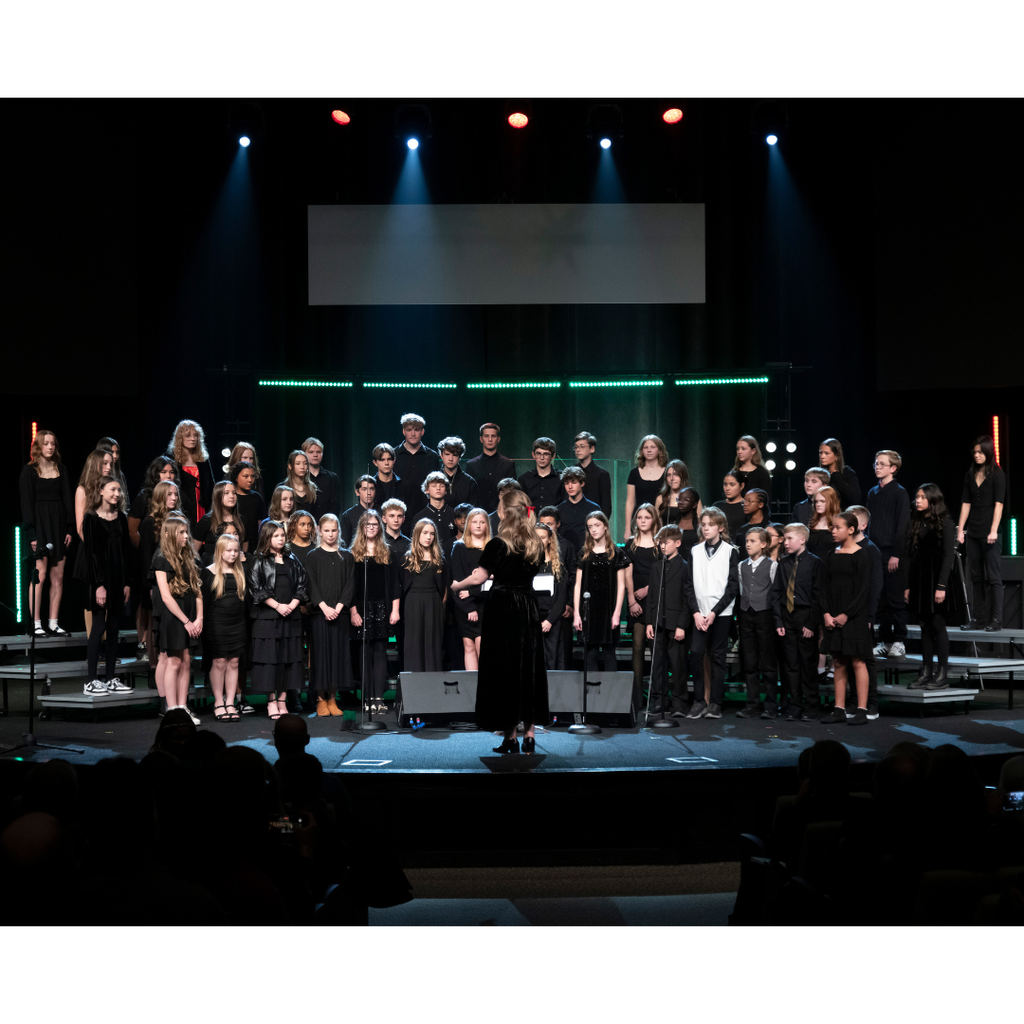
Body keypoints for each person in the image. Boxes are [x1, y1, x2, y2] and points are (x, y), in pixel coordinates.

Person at [451, 488, 548, 754]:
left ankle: (510, 737)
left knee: (504, 669)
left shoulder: (499, 544)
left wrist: (458, 583)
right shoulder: (535, 543)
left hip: (503, 607)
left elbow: (479, 578)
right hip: (528, 606)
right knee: (527, 668)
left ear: (505, 512)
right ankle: (529, 735)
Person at [684, 508, 741, 720]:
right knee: (696, 653)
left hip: (721, 614)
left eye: (710, 524)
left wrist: (715, 612)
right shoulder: (695, 551)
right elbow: (689, 585)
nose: (706, 528)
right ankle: (699, 700)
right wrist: (697, 612)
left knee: (718, 657)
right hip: (699, 613)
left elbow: (732, 587)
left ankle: (716, 702)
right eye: (703, 524)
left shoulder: (730, 551)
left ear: (721, 527)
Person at [248, 520, 308, 720]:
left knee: (288, 659)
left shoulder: (292, 559)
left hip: (290, 616)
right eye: (276, 536)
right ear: (267, 537)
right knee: (270, 661)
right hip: (268, 618)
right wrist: (277, 605)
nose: (281, 539)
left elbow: (302, 583)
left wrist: (292, 605)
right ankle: (271, 701)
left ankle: (282, 701)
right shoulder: (258, 560)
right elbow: (256, 589)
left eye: (282, 535)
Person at [818, 511, 872, 725]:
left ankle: (861, 709)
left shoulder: (862, 555)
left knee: (857, 661)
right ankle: (838, 708)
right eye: (832, 527)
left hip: (854, 617)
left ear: (851, 529)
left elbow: (862, 590)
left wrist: (845, 615)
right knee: (838, 661)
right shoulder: (831, 555)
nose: (833, 531)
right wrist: (827, 614)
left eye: (837, 527)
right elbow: (824, 587)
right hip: (833, 615)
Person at [906, 485, 962, 690]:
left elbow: (948, 556)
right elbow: (913, 555)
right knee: (925, 627)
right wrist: (909, 586)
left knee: (938, 624)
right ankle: (926, 672)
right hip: (921, 579)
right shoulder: (917, 521)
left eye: (922, 497)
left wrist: (941, 586)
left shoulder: (945, 522)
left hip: (938, 578)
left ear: (932, 499)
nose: (917, 500)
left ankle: (942, 674)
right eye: (917, 496)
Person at [19, 429, 74, 637]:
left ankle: (53, 622)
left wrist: (69, 528)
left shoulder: (62, 470)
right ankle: (36, 623)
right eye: (46, 443)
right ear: (38, 447)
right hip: (39, 526)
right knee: (40, 576)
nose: (50, 447)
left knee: (57, 577)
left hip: (58, 524)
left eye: (53, 443)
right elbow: (26, 504)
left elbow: (68, 501)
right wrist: (32, 533)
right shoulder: (29, 471)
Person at [81, 477, 133, 696]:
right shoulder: (91, 519)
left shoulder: (121, 518)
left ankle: (111, 677)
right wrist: (99, 585)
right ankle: (91, 680)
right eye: (113, 489)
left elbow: (126, 551)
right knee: (98, 628)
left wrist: (128, 582)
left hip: (118, 579)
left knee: (114, 628)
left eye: (119, 490)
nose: (117, 494)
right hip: (100, 580)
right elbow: (91, 554)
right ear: (101, 491)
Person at [152, 516, 204, 723]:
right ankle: (171, 709)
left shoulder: (190, 557)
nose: (186, 536)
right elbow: (165, 596)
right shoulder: (162, 559)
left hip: (190, 614)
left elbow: (198, 591)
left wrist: (199, 618)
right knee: (173, 662)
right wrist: (186, 621)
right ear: (168, 534)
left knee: (186, 662)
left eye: (186, 532)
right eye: (181, 532)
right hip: (174, 616)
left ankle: (182, 707)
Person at [772, 524, 824, 722]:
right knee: (791, 664)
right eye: (784, 539)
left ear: (803, 540)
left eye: (790, 539)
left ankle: (811, 705)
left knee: (807, 664)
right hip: (787, 617)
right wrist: (778, 620)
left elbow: (818, 596)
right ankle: (794, 705)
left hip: (804, 616)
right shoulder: (783, 563)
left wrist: (811, 624)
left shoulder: (814, 563)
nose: (785, 543)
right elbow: (777, 593)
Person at [350, 511, 401, 712]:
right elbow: (350, 587)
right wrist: (353, 612)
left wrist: (394, 610)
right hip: (361, 609)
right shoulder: (352, 554)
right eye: (367, 524)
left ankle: (379, 698)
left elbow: (395, 585)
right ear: (361, 528)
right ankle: (367, 698)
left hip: (382, 607)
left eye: (374, 524)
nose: (371, 527)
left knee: (380, 652)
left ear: (380, 527)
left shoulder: (388, 553)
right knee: (364, 653)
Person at [305, 514, 355, 717]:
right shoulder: (313, 556)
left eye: (334, 530)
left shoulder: (347, 556)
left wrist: (340, 606)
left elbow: (350, 584)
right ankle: (320, 698)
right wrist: (324, 607)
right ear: (319, 531)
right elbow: (311, 584)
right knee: (320, 655)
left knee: (337, 655)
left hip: (340, 613)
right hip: (320, 614)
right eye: (326, 530)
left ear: (339, 531)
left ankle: (333, 697)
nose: (330, 534)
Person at [128, 456, 179, 650]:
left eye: (171, 472)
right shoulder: (146, 502)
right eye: (163, 471)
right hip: (150, 567)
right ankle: (144, 648)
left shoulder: (177, 513)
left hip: (172, 572)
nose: (168, 475)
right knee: (149, 613)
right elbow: (134, 531)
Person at [957, 434, 1006, 631]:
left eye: (980, 452)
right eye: (974, 452)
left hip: (990, 533)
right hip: (974, 533)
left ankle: (996, 620)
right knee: (976, 578)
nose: (976, 455)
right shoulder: (969, 475)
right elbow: (966, 503)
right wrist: (960, 530)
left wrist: (993, 530)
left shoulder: (997, 474)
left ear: (987, 452)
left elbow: (999, 504)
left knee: (993, 577)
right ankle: (979, 618)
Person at [867, 450, 911, 659]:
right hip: (875, 554)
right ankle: (884, 640)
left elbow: (902, 526)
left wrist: (896, 554)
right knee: (880, 599)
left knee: (895, 598)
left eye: (882, 464)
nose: (877, 467)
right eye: (876, 463)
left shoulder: (899, 492)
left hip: (892, 554)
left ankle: (899, 640)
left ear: (893, 468)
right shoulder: (873, 492)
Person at [201, 533, 248, 721]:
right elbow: (203, 601)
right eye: (229, 551)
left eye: (236, 550)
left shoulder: (240, 571)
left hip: (238, 623)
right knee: (219, 662)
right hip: (216, 624)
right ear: (220, 551)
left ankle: (231, 702)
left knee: (234, 662)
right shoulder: (208, 572)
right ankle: (218, 702)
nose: (233, 554)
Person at [645, 524, 691, 716]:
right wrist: (649, 621)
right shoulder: (657, 566)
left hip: (676, 623)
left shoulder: (685, 567)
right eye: (660, 543)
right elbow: (652, 595)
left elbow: (687, 598)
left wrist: (682, 625)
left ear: (678, 543)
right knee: (658, 664)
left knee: (678, 664)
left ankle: (679, 702)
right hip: (658, 622)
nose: (663, 546)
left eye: (666, 543)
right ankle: (659, 700)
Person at [573, 512, 627, 673]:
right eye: (590, 527)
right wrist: (576, 613)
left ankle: (611, 696)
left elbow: (621, 585)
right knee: (590, 653)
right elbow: (577, 585)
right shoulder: (584, 554)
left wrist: (617, 612)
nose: (594, 530)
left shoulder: (616, 553)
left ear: (605, 526)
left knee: (609, 652)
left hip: (608, 609)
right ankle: (592, 695)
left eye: (597, 525)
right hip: (589, 610)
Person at [735, 526, 780, 718]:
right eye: (747, 541)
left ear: (763, 544)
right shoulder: (741, 565)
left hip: (765, 615)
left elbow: (774, 592)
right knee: (750, 661)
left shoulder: (772, 565)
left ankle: (770, 704)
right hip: (747, 615)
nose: (748, 545)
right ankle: (752, 703)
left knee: (768, 662)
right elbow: (742, 589)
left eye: (752, 541)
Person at [137, 481, 181, 659]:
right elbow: (145, 558)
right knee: (155, 626)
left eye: (175, 494)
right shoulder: (149, 523)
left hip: (176, 581)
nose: (173, 498)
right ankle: (154, 667)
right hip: (155, 583)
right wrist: (149, 586)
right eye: (169, 494)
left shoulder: (178, 521)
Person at [73, 446, 113, 638]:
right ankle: (95, 644)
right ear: (94, 464)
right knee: (92, 601)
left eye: (110, 464)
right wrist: (95, 549)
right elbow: (81, 527)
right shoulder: (82, 490)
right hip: (91, 551)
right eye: (104, 463)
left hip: (109, 551)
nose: (108, 467)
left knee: (108, 600)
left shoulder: (109, 488)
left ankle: (105, 645)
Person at [848, 505, 883, 721]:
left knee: (865, 659)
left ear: (862, 525)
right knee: (848, 657)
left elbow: (875, 586)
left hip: (863, 614)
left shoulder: (871, 550)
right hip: (846, 613)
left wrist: (870, 617)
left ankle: (871, 703)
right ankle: (853, 701)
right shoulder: (843, 548)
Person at [625, 503, 662, 702]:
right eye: (640, 518)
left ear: (654, 519)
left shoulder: (660, 544)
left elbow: (663, 573)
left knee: (654, 646)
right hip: (636, 601)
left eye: (647, 517)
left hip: (654, 599)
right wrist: (631, 600)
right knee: (637, 646)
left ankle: (656, 696)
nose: (643, 521)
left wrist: (648, 589)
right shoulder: (631, 543)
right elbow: (627, 574)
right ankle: (637, 695)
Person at [400, 520, 447, 672]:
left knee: (432, 642)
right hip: (413, 602)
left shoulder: (440, 559)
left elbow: (444, 588)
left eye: (432, 534)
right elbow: (402, 586)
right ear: (417, 534)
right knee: (414, 642)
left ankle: (432, 684)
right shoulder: (407, 559)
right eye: (425, 533)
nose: (428, 537)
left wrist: (442, 606)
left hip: (433, 602)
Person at [449, 508, 490, 669]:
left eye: (482, 522)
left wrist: (474, 591)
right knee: (469, 645)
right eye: (474, 522)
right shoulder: (459, 547)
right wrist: (468, 608)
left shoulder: (492, 547)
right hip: (465, 606)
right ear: (468, 525)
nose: (478, 526)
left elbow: (494, 579)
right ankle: (472, 687)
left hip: (486, 605)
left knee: (483, 646)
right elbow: (456, 582)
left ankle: (484, 687)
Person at [538, 505, 577, 669]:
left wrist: (569, 603)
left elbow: (567, 585)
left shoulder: (563, 553)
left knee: (557, 655)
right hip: (536, 615)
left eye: (549, 524)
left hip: (555, 614)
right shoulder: (529, 564)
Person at [534, 521, 569, 671]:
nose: (539, 541)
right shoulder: (528, 564)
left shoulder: (558, 565)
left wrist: (549, 620)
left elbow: (562, 596)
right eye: (536, 537)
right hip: (533, 617)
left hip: (552, 618)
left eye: (542, 537)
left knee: (552, 658)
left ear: (549, 539)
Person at [167, 420, 215, 525]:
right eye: (188, 436)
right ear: (180, 438)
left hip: (202, 503)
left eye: (195, 435)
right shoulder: (173, 460)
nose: (193, 439)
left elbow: (211, 484)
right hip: (183, 504)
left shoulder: (203, 459)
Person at [464, 422, 516, 515]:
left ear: (498, 439)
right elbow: (469, 493)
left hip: (503, 513)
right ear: (481, 439)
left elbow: (512, 493)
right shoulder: (471, 465)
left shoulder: (508, 464)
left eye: (493, 436)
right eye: (486, 436)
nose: (490, 439)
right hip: (477, 514)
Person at [393, 414, 440, 516]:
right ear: (403, 431)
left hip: (427, 511)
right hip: (399, 512)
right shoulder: (393, 455)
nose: (413, 434)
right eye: (409, 430)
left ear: (422, 432)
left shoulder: (432, 457)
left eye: (417, 430)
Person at [624, 435, 669, 541]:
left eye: (653, 447)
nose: (649, 450)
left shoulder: (667, 472)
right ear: (641, 451)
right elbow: (630, 502)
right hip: (640, 521)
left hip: (660, 521)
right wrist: (627, 529)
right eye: (646, 447)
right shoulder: (634, 473)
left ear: (659, 450)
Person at [193, 480, 245, 565]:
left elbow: (244, 548)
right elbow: (194, 549)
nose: (231, 496)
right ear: (218, 496)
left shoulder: (241, 520)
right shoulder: (207, 520)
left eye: (234, 493)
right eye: (226, 493)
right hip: (212, 564)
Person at [556, 465, 601, 558]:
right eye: (566, 483)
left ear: (582, 483)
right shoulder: (558, 510)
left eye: (574, 482)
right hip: (564, 556)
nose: (570, 486)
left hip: (588, 555)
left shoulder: (594, 508)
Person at [410, 471, 458, 553]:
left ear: (446, 490)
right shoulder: (419, 517)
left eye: (442, 486)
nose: (438, 488)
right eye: (434, 486)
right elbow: (414, 543)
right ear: (426, 490)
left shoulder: (454, 513)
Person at [572, 431, 612, 517]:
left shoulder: (602, 474)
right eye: (576, 447)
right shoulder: (571, 472)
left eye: (582, 447)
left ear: (592, 449)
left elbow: (606, 505)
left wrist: (600, 523)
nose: (578, 450)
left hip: (594, 521)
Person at [229, 461, 266, 552]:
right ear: (236, 477)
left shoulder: (256, 497)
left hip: (254, 545)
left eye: (252, 476)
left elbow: (261, 523)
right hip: (233, 543)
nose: (250, 480)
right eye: (245, 476)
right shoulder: (230, 498)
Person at [519, 437, 565, 509]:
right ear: (533, 455)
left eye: (546, 454)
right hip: (531, 519)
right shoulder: (524, 479)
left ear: (553, 456)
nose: (541, 458)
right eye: (538, 453)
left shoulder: (561, 478)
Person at [301, 437, 340, 517]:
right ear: (304, 454)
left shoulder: (332, 478)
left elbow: (335, 506)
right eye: (311, 452)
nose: (315, 455)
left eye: (318, 452)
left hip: (327, 525)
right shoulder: (300, 478)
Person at [656, 460, 703, 525]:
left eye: (676, 474)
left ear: (683, 476)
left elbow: (700, 524)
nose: (672, 478)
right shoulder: (660, 499)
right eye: (668, 475)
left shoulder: (694, 498)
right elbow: (656, 525)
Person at [819, 438, 861, 510]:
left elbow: (855, 498)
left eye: (826, 453)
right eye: (820, 453)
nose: (822, 456)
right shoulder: (819, 474)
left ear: (836, 456)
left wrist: (836, 476)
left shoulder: (847, 473)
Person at [436, 436, 479, 507]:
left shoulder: (470, 482)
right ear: (441, 456)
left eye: (455, 455)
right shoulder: (434, 481)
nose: (450, 459)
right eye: (447, 454)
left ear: (460, 457)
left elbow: (474, 512)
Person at [280, 449, 320, 517]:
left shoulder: (313, 488)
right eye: (298, 464)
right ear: (290, 466)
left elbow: (317, 513)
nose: (302, 467)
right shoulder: (283, 487)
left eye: (305, 463)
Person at [731, 435, 773, 499]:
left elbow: (766, 499)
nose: (739, 452)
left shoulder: (762, 473)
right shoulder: (734, 473)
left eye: (743, 449)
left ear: (753, 451)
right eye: (738, 449)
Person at [340, 476, 377, 547]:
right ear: (357, 492)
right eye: (364, 489)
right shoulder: (348, 516)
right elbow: (344, 543)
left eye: (371, 489)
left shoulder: (383, 513)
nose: (369, 493)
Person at [807, 485, 841, 559]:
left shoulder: (838, 524)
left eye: (822, 501)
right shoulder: (812, 524)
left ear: (831, 502)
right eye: (816, 501)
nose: (818, 504)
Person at [712, 471, 746, 538]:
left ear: (742, 486)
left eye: (732, 485)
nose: (727, 488)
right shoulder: (717, 506)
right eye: (725, 484)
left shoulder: (747, 506)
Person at [371, 443, 402, 508]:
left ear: (394, 460)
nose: (386, 463)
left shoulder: (404, 487)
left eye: (389, 459)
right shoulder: (370, 486)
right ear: (375, 462)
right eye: (382, 460)